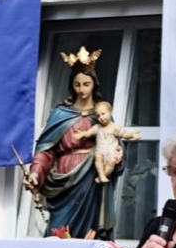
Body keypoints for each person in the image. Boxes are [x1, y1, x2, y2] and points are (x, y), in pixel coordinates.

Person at [26, 49, 120, 238]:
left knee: (90, 232)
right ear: (71, 85)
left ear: (94, 84)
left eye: (86, 84)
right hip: (63, 178)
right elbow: (46, 149)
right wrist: (36, 173)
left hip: (91, 177)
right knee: (58, 231)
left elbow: (113, 142)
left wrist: (118, 155)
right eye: (77, 84)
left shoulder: (101, 116)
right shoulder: (60, 114)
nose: (82, 89)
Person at [72, 101, 142, 183]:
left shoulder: (114, 127)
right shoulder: (97, 127)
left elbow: (123, 134)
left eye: (103, 113)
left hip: (111, 152)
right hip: (100, 151)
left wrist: (132, 135)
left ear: (110, 112)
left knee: (112, 161)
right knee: (98, 157)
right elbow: (89, 132)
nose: (101, 117)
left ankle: (102, 176)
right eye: (98, 116)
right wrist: (83, 134)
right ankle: (101, 175)